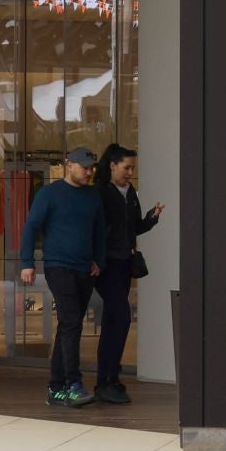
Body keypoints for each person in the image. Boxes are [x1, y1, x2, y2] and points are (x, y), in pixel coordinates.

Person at [18, 147, 109, 409]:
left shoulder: (93, 196)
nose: (90, 171)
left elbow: (99, 230)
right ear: (69, 166)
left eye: (92, 167)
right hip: (59, 267)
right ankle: (73, 384)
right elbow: (31, 226)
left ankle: (55, 388)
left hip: (84, 268)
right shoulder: (49, 193)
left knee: (69, 326)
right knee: (71, 323)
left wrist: (99, 261)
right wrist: (27, 262)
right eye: (85, 167)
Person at [91, 144, 161, 404]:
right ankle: (105, 379)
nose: (130, 172)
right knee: (120, 316)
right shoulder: (99, 192)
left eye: (133, 168)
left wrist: (151, 219)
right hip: (106, 263)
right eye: (127, 167)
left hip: (123, 263)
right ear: (112, 165)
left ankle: (110, 379)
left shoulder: (130, 192)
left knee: (116, 318)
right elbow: (96, 228)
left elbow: (133, 227)